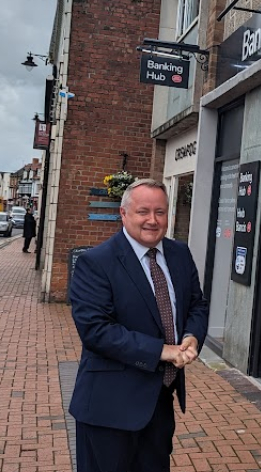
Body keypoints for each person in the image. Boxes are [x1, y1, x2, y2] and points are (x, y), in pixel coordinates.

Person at [68, 178, 209, 472]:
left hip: (158, 403)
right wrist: (163, 351)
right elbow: (96, 331)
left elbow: (196, 304)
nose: (152, 220)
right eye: (143, 211)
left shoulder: (179, 254)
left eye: (160, 212)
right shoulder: (96, 262)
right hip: (109, 409)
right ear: (123, 213)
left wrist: (192, 337)